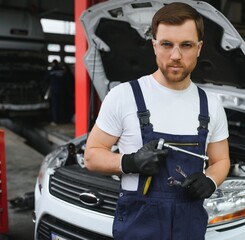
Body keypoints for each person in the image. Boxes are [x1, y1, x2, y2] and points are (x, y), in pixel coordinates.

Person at [84, 2, 230, 239]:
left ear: (199, 48)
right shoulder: (124, 96)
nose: (175, 55)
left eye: (186, 45)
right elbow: (91, 156)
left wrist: (211, 181)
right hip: (139, 225)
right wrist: (130, 162)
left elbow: (221, 160)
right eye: (166, 44)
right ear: (154, 45)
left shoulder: (211, 105)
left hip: (189, 227)